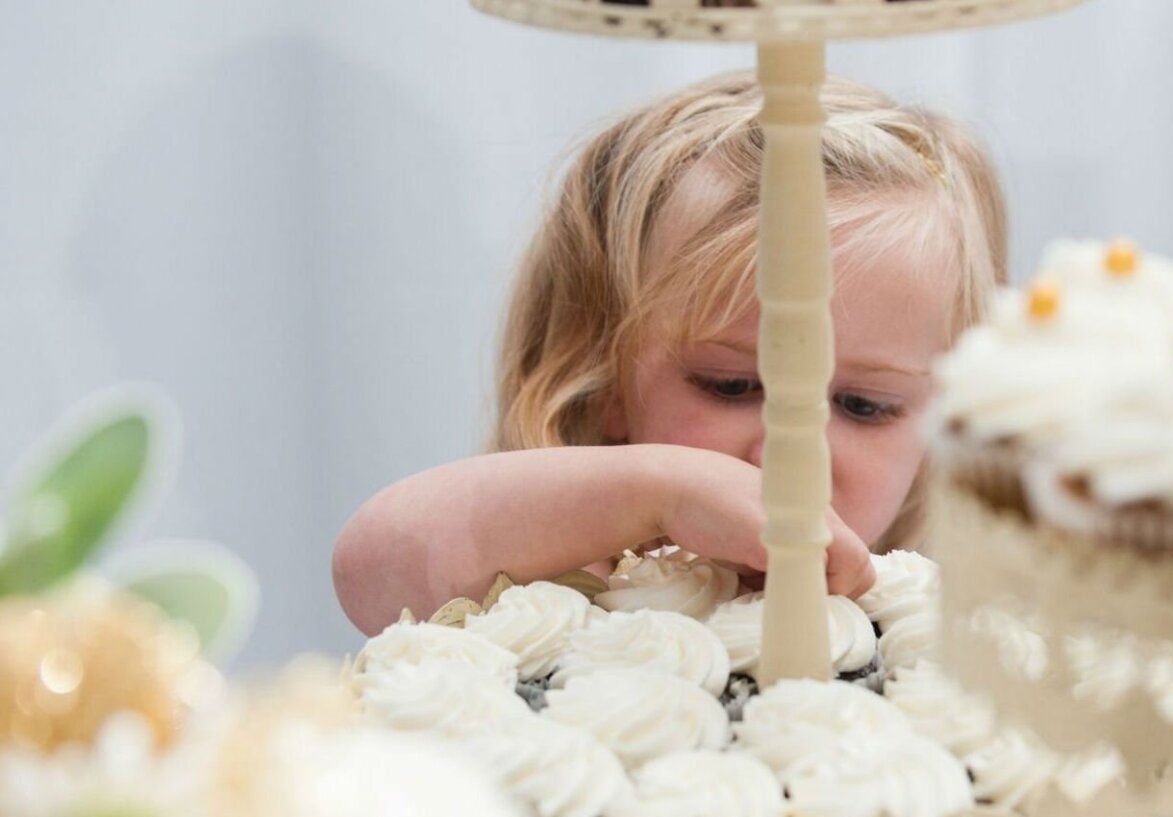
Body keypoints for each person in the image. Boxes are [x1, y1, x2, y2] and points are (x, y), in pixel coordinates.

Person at [334, 71, 1006, 634]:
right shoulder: (572, 579)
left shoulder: (938, 622)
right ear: (602, 380)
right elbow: (374, 567)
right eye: (732, 385)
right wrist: (662, 490)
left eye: (865, 405)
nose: (793, 449)